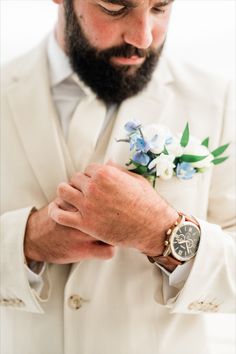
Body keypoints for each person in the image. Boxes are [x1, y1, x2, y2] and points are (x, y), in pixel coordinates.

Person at [0, 0, 235, 353]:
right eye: (114, 8)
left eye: (160, 8)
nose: (142, 37)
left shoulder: (218, 99)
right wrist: (26, 242)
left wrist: (162, 232)